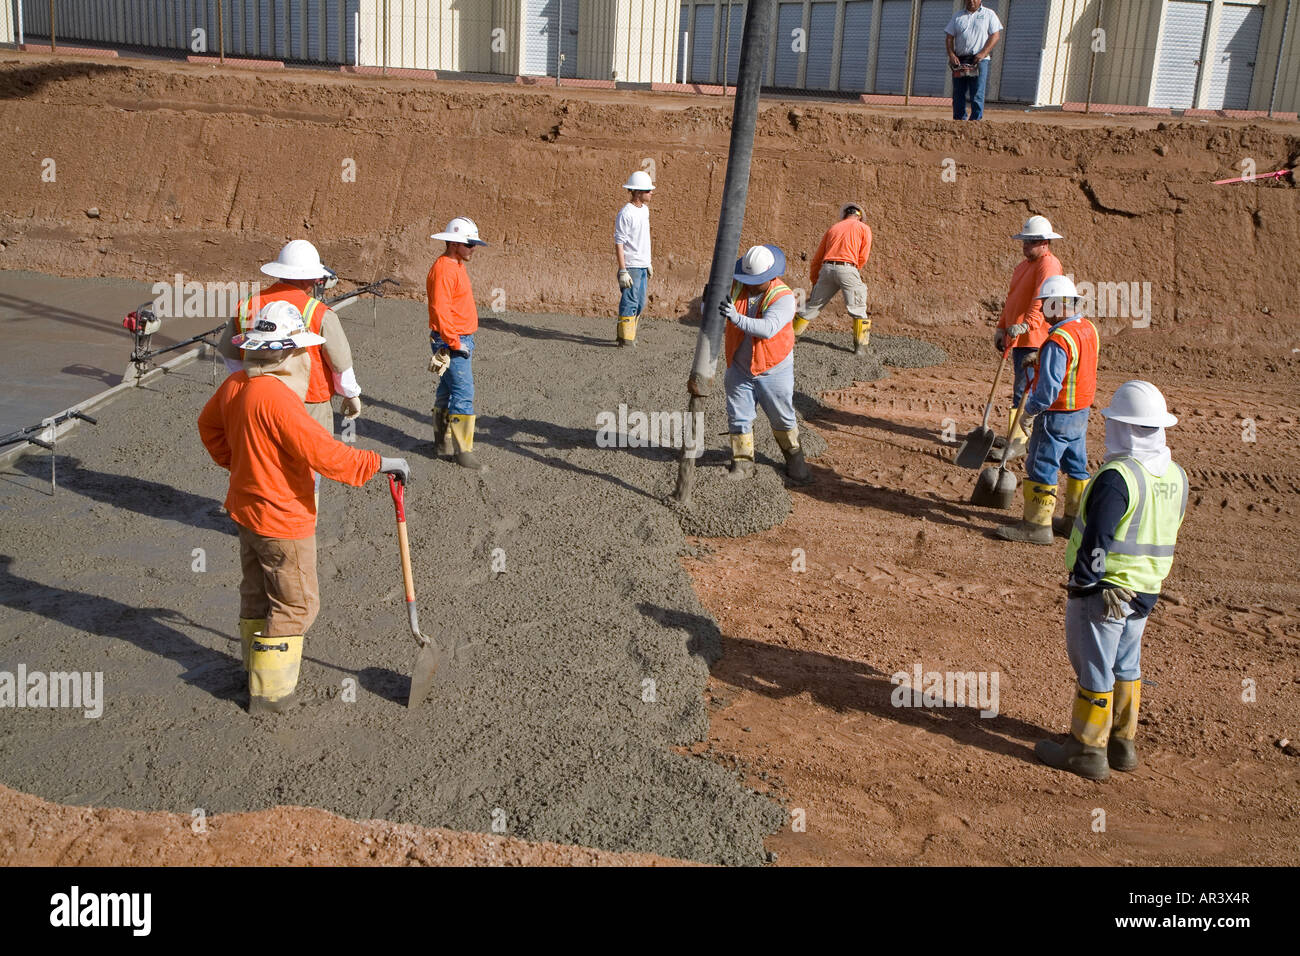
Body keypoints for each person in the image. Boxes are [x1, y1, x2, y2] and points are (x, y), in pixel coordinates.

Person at [199, 301, 409, 714]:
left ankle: (253, 669)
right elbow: (327, 456)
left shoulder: (235, 386)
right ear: (287, 354)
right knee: (296, 604)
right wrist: (382, 463)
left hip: (246, 514)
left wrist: (235, 461)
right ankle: (271, 693)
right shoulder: (278, 399)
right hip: (283, 520)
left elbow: (208, 426)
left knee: (257, 593)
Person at [1036, 381, 1187, 780]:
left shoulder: (1118, 476)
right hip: (1146, 590)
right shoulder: (1176, 476)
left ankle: (1086, 749)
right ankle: (1122, 743)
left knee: (1095, 667)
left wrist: (1084, 583)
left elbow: (1098, 538)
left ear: (1122, 427)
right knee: (1126, 663)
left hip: (1105, 590)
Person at [218, 239, 364, 506]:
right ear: (310, 280)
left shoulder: (247, 305)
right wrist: (351, 395)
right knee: (309, 464)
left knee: (264, 461)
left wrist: (247, 382)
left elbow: (229, 353)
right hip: (309, 404)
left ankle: (259, 514)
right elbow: (340, 363)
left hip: (257, 399)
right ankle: (301, 523)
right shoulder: (318, 312)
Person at [996, 275, 1098, 545]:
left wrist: (1030, 412)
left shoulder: (1058, 340)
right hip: (1080, 413)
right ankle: (1074, 520)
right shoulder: (1087, 329)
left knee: (1041, 463)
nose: (1042, 311)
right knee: (1077, 466)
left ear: (1057, 304)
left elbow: (1048, 389)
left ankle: (1036, 526)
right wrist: (1041, 358)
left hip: (1056, 414)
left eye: (1044, 305)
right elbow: (1074, 367)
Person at [720, 245, 811, 484]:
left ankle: (795, 460)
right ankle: (742, 464)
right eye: (746, 278)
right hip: (740, 367)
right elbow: (712, 307)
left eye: (755, 280)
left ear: (770, 276)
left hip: (774, 369)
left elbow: (767, 329)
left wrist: (735, 317)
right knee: (738, 417)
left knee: (782, 418)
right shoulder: (737, 286)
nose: (749, 283)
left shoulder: (784, 298)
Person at [994, 216, 1064, 460]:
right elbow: (1012, 298)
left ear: (1044, 243)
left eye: (1030, 242)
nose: (1025, 246)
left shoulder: (1049, 264)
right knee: (1020, 388)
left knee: (1025, 390)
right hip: (1019, 337)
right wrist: (1002, 327)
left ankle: (1021, 441)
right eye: (1024, 241)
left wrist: (1026, 325)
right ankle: (1016, 437)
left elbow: (1040, 298)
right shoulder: (1023, 266)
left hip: (1034, 338)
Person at [427, 216, 488, 470]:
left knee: (447, 390)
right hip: (452, 340)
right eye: (470, 244)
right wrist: (455, 343)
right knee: (463, 393)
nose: (474, 248)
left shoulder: (455, 264)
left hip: (456, 338)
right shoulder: (444, 269)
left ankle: (442, 444)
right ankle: (463, 452)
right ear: (454, 244)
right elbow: (441, 311)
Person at [792, 202, 874, 355]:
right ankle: (861, 349)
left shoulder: (833, 228)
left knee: (813, 305)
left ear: (844, 215)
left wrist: (815, 280)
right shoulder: (864, 228)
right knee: (858, 308)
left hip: (826, 268)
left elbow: (817, 258)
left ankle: (790, 339)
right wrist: (853, 270)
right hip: (848, 267)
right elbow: (863, 255)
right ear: (859, 217)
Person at [615, 170, 655, 348]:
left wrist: (648, 263)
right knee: (630, 301)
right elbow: (619, 242)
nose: (651, 193)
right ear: (638, 192)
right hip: (631, 266)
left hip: (642, 266)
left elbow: (643, 238)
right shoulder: (626, 213)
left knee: (640, 303)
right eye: (648, 191)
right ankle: (626, 339)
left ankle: (625, 334)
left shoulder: (644, 211)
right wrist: (623, 270)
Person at [945, 0, 1003, 121]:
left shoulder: (989, 14)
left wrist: (983, 53)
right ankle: (959, 120)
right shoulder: (958, 16)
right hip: (960, 61)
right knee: (958, 93)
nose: (971, 1)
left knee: (977, 93)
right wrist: (951, 54)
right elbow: (949, 37)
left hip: (979, 61)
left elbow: (995, 35)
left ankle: (975, 122)